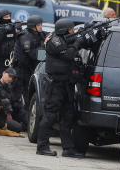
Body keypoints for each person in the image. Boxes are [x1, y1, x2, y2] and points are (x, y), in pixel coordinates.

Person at [36, 18, 88, 158]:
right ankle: (42, 146)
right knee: (51, 115)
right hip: (56, 84)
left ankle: (68, 148)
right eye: (71, 29)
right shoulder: (55, 40)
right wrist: (78, 42)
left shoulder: (65, 39)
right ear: (63, 30)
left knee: (68, 115)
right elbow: (67, 55)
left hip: (66, 84)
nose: (72, 31)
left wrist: (83, 37)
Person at [12, 15, 50, 111]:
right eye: (39, 25)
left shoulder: (39, 35)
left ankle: (25, 122)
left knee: (29, 99)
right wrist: (44, 45)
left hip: (30, 71)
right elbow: (33, 55)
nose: (41, 27)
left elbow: (40, 58)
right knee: (15, 98)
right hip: (20, 71)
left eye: (41, 24)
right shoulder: (25, 37)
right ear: (33, 27)